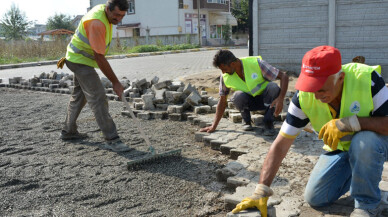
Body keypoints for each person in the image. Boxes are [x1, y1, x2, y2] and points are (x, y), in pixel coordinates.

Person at [231, 45, 388, 217]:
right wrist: (261, 190)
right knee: (316, 198)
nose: (316, 96)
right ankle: (361, 177)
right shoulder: (304, 97)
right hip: (341, 150)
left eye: (322, 89)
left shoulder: (367, 79)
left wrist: (350, 123)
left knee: (364, 141)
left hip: (375, 145)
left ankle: (367, 205)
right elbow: (281, 144)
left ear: (340, 78)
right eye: (311, 88)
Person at [57, 0, 131, 152]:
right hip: (79, 61)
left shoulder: (104, 14)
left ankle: (68, 131)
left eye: (122, 16)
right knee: (98, 97)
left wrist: (115, 81)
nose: (119, 19)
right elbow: (99, 57)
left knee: (79, 96)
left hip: (77, 58)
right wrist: (115, 82)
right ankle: (112, 139)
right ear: (108, 9)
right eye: (116, 15)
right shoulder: (97, 22)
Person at [200, 49, 289, 134]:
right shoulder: (225, 77)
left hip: (267, 101)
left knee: (273, 87)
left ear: (233, 64)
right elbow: (222, 101)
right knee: (237, 96)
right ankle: (246, 121)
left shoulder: (256, 64)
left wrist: (280, 99)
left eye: (224, 69)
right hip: (250, 103)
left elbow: (284, 76)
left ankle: (268, 122)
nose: (223, 72)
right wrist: (213, 126)